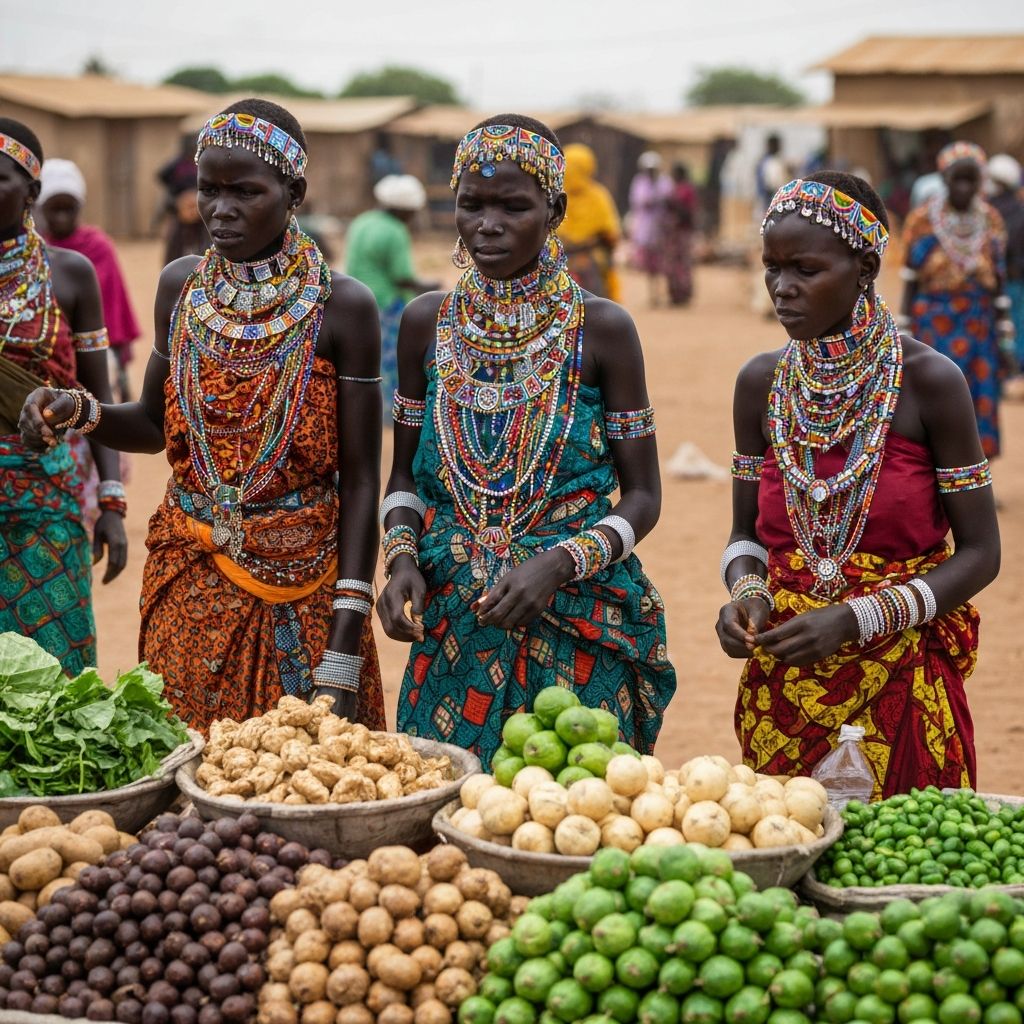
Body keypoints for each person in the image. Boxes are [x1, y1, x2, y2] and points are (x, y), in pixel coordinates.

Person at [21, 99, 384, 732]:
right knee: (186, 789)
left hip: (303, 593)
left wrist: (345, 635)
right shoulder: (180, 287)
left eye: (246, 191)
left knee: (309, 783)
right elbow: (154, 426)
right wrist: (76, 408)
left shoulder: (343, 307)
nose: (220, 209)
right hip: (189, 581)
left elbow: (358, 480)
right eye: (208, 190)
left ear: (293, 191)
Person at [376, 116, 677, 763]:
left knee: (575, 820)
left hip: (575, 617)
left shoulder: (603, 330)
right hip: (455, 624)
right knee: (445, 823)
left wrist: (560, 563)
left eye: (514, 206)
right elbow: (403, 478)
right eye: (472, 205)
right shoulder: (425, 324)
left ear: (556, 211)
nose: (489, 224)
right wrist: (401, 559)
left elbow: (645, 496)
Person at [716, 172, 1001, 800]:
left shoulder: (931, 382)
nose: (782, 290)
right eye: (772, 269)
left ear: (865, 267)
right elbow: (744, 536)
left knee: (907, 868)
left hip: (904, 681)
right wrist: (746, 594)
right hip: (785, 687)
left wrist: (858, 619)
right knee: (782, 860)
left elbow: (982, 554)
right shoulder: (760, 384)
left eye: (805, 270)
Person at [0, 118, 127, 675]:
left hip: (46, 496)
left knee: (56, 672)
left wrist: (113, 504)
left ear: (30, 194)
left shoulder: (71, 274)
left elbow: (99, 397)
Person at [900, 142, 1011, 459]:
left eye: (970, 179)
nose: (963, 187)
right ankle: (933, 477)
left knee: (981, 396)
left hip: (979, 323)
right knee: (934, 395)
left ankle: (976, 479)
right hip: (934, 324)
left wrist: (1005, 335)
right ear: (943, 179)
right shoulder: (923, 221)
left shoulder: (991, 220)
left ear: (981, 182)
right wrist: (904, 330)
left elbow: (999, 281)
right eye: (956, 178)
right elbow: (909, 279)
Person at [38, 159, 142, 402]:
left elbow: (113, 305)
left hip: (99, 351)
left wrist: (117, 360)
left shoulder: (97, 247)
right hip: (50, 356)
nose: (62, 217)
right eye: (55, 209)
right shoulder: (35, 252)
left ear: (80, 208)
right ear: (42, 208)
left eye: (69, 208)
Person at [345, 174, 438, 420]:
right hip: (387, 304)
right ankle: (389, 413)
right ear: (403, 210)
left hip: (357, 302)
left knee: (367, 360)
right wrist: (431, 286)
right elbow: (402, 277)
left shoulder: (362, 222)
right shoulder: (395, 231)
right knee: (393, 361)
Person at [558, 143, 621, 301]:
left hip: (560, 259)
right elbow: (612, 235)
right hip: (589, 258)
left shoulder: (554, 197)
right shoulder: (599, 196)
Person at [987, 154, 1024, 370]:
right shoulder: (1018, 209)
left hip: (1004, 279)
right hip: (1016, 278)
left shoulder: (990, 212)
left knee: (1004, 322)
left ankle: (1008, 367)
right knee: (1015, 322)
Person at [157, 134, 210, 266]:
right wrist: (179, 201)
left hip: (200, 209)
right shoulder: (176, 164)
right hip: (179, 209)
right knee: (175, 243)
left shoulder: (202, 162)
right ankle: (172, 268)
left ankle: (204, 266)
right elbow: (162, 176)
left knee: (205, 243)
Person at [627, 151, 671, 304]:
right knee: (650, 264)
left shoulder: (665, 181)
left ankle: (661, 293)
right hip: (646, 228)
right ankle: (653, 294)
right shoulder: (640, 182)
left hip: (662, 227)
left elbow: (668, 199)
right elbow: (639, 200)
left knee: (662, 262)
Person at [662, 162, 698, 306]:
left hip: (682, 231)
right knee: (672, 263)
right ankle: (674, 295)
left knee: (682, 264)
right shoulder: (674, 189)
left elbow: (688, 212)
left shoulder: (686, 190)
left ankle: (683, 294)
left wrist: (674, 204)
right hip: (673, 232)